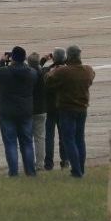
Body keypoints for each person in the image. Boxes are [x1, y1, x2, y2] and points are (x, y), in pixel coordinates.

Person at [0, 46, 38, 177]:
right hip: (25, 111)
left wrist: (1, 61)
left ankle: (13, 172)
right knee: (27, 142)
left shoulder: (5, 71)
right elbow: (36, 74)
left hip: (7, 112)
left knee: (10, 143)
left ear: (12, 58)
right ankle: (30, 171)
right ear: (24, 58)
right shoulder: (31, 73)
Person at [45, 46, 94, 178]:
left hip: (67, 109)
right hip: (82, 109)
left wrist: (51, 72)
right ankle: (81, 168)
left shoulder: (63, 71)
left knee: (69, 140)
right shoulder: (88, 70)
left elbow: (48, 82)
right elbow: (91, 79)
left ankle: (76, 171)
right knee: (80, 139)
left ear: (69, 56)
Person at [41, 48, 69, 171]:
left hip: (50, 107)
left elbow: (36, 70)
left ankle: (48, 163)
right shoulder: (69, 72)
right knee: (64, 136)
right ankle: (65, 160)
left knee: (49, 137)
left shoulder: (47, 71)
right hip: (64, 107)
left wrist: (44, 60)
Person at [28, 52, 46, 172]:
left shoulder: (28, 76)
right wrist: (42, 61)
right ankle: (40, 164)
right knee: (40, 138)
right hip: (41, 109)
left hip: (28, 109)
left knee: (27, 138)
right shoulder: (44, 75)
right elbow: (40, 69)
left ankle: (29, 163)